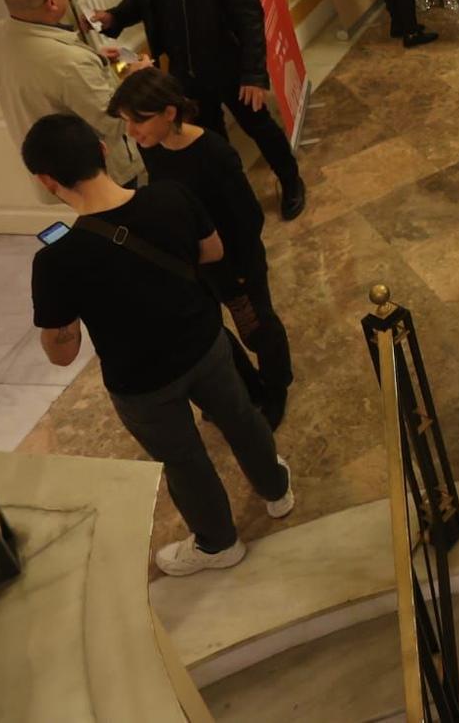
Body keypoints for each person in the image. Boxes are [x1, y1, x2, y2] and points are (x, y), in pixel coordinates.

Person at [23, 113, 294, 576]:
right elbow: (213, 253)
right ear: (103, 151)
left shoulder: (56, 260)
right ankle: (276, 489)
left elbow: (63, 351)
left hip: (142, 381)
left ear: (49, 182)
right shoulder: (171, 196)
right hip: (205, 344)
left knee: (183, 459)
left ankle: (219, 544)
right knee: (241, 418)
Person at [90, 0, 306, 220]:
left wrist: (253, 73)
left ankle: (291, 180)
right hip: (181, 72)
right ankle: (235, 198)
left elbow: (249, 15)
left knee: (258, 128)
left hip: (230, 66)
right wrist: (113, 17)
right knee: (210, 139)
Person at [108, 67, 293, 426]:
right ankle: (248, 387)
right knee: (211, 331)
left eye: (138, 121)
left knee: (258, 329)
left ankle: (276, 387)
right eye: (127, 122)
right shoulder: (154, 147)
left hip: (233, 263)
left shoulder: (214, 152)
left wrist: (237, 269)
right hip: (193, 264)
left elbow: (249, 218)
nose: (132, 132)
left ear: (169, 113)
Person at [0, 0, 143, 189]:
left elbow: (45, 78)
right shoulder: (69, 62)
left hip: (53, 165)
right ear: (52, 3)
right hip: (96, 173)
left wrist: (94, 62)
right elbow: (114, 121)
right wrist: (135, 79)